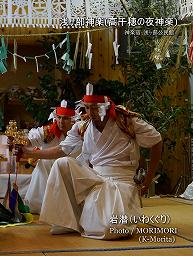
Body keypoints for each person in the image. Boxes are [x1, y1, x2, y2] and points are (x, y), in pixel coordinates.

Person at [39, 83, 163, 239]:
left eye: (96, 108)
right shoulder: (83, 125)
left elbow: (157, 141)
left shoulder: (128, 121)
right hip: (95, 178)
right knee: (62, 163)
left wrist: (147, 180)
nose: (91, 112)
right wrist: (29, 153)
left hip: (121, 181)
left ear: (107, 105)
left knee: (111, 228)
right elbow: (61, 150)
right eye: (88, 107)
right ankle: (67, 221)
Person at [21, 100, 81, 213]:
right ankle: (39, 204)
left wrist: (29, 153)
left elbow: (60, 151)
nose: (61, 122)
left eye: (66, 118)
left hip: (70, 173)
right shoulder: (49, 131)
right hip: (45, 174)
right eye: (59, 117)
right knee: (45, 163)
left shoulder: (79, 133)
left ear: (73, 120)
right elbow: (31, 138)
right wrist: (21, 142)